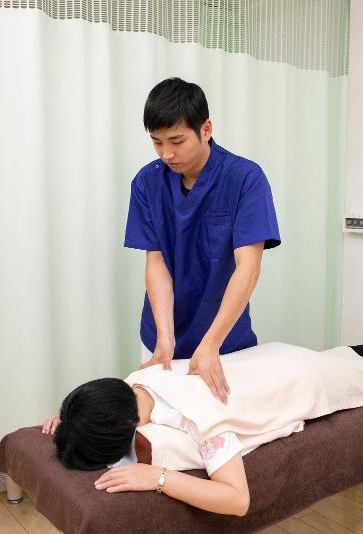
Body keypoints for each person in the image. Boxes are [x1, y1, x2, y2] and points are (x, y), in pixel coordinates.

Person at [42, 341, 363, 516]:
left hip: (300, 380)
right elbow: (101, 406)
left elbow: (236, 500)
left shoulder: (201, 419)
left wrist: (157, 478)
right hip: (269, 359)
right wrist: (72, 420)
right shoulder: (135, 380)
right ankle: (361, 350)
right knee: (342, 359)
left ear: (122, 427)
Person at [124, 78, 281, 403]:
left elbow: (248, 268)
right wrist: (165, 340)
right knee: (156, 421)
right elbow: (157, 262)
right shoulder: (147, 182)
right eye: (157, 142)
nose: (167, 154)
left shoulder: (245, 179)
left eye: (176, 141)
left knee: (222, 420)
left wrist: (210, 344)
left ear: (205, 129)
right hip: (161, 337)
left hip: (224, 341)